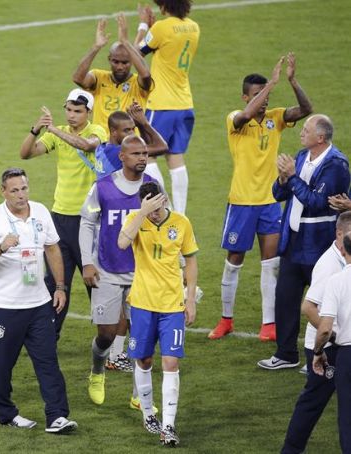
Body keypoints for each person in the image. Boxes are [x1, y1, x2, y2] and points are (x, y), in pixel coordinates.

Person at [209, 53, 313, 341]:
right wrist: (271, 84)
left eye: (266, 93)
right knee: (234, 260)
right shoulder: (235, 119)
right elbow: (243, 116)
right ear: (245, 97)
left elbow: (306, 108)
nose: (265, 100)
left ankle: (269, 324)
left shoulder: (275, 119)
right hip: (241, 201)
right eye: (257, 94)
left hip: (269, 203)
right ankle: (226, 319)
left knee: (271, 263)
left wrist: (291, 81)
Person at [0, 168, 78, 434]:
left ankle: (57, 416)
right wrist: (0, 248)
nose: (21, 195)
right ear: (3, 192)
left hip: (39, 305)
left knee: (48, 362)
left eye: (24, 188)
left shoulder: (41, 212)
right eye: (14, 190)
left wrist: (61, 287)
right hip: (4, 307)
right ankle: (6, 414)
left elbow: (52, 248)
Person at [258, 114, 350, 370]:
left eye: (306, 129)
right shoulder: (301, 156)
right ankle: (286, 354)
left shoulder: (336, 165)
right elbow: (278, 194)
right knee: (285, 297)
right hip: (293, 240)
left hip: (319, 244)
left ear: (320, 137)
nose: (301, 132)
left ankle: (326, 354)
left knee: (321, 302)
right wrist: (283, 178)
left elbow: (318, 203)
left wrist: (293, 177)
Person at [20, 88, 107, 337]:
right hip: (59, 218)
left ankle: (110, 339)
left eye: (77, 111)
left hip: (89, 220)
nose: (71, 115)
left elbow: (87, 145)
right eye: (68, 110)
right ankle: (49, 335)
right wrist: (37, 128)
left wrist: (55, 130)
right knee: (57, 282)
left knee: (95, 282)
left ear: (88, 112)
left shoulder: (97, 131)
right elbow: (26, 153)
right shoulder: (57, 134)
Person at [118, 181, 198, 447]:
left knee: (171, 363)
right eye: (148, 207)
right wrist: (141, 213)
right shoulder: (135, 219)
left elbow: (191, 261)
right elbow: (121, 243)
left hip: (172, 305)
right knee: (143, 360)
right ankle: (148, 412)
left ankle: (168, 426)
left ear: (164, 200)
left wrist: (191, 300)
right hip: (142, 303)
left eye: (156, 206)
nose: (154, 212)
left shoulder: (181, 223)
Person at [80, 136, 158, 410]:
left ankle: (139, 395)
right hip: (107, 271)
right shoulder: (103, 187)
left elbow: (163, 225)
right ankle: (97, 370)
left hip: (142, 273)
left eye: (145, 153)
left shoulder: (152, 186)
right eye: (136, 153)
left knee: (141, 335)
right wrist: (87, 262)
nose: (142, 158)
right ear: (122, 157)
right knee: (107, 335)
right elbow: (87, 223)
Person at [282, 211, 351, 453]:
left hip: (340, 345)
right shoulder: (328, 265)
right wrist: (330, 337)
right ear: (339, 234)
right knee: (313, 402)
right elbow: (308, 307)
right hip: (326, 347)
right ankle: (291, 449)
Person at [136, 0, 200, 214]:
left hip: (161, 104)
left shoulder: (161, 28)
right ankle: (180, 215)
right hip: (185, 103)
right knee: (175, 157)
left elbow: (135, 53)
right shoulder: (193, 27)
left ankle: (167, 210)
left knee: (148, 154)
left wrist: (144, 26)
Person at [72, 13, 152, 133]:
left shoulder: (138, 83)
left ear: (132, 61)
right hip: (101, 144)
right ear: (109, 59)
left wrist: (125, 42)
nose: (120, 67)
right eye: (116, 62)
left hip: (128, 145)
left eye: (125, 63)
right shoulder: (99, 77)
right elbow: (78, 78)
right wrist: (96, 46)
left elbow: (146, 75)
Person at [312, 232, 351, 454]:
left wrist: (318, 351)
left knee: (348, 418)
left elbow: (325, 327)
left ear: (344, 250)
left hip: (347, 355)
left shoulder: (336, 281)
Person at [93, 103, 167, 181]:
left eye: (133, 129)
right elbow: (162, 147)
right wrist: (145, 124)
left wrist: (140, 126)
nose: (132, 134)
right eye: (127, 130)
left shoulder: (102, 147)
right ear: (113, 131)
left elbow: (145, 148)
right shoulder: (119, 151)